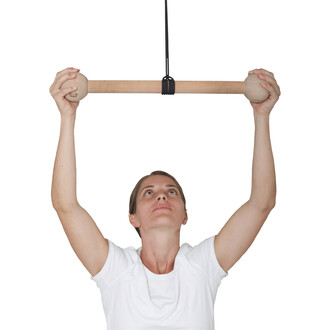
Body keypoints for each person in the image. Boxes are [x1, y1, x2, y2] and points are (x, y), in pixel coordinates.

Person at [50, 67, 280, 329]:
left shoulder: (201, 266)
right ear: (133, 218)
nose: (161, 196)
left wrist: (262, 116)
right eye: (149, 193)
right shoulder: (117, 270)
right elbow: (65, 205)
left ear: (184, 215)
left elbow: (262, 202)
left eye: (172, 191)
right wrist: (67, 117)